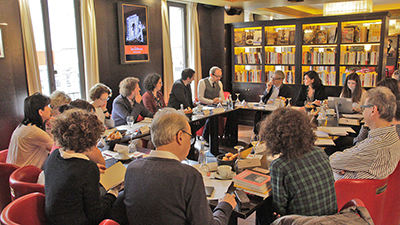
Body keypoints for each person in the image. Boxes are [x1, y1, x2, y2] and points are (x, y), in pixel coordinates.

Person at [123, 108, 236, 224]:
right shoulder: (189, 176)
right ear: (180, 136)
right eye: (190, 137)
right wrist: (225, 206)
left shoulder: (132, 169)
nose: (190, 143)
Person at [256, 108, 337, 224]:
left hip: (302, 222)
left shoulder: (279, 166)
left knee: (263, 207)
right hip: (329, 220)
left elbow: (280, 207)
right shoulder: (320, 152)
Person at [44, 109, 121, 225]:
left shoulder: (54, 156)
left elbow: (69, 174)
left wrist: (92, 169)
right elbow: (97, 215)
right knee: (120, 201)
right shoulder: (87, 169)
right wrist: (114, 192)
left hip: (52, 220)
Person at [330, 86, 400, 181]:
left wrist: (336, 166)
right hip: (368, 191)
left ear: (373, 110)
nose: (362, 112)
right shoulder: (392, 137)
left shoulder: (375, 146)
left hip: (348, 192)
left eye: (363, 108)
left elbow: (331, 161)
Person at [7, 93, 53, 168]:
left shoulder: (23, 127)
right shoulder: (34, 132)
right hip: (27, 176)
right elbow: (56, 150)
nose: (50, 109)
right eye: (47, 106)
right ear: (40, 112)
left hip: (14, 173)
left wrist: (48, 128)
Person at [253, 70, 292, 136]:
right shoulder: (270, 87)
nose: (272, 80)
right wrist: (267, 90)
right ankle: (257, 134)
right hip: (267, 108)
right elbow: (262, 99)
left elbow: (289, 101)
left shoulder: (287, 89)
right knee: (258, 114)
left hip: (278, 109)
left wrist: (282, 100)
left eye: (274, 79)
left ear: (281, 80)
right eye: (272, 78)